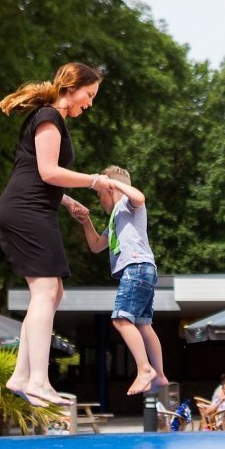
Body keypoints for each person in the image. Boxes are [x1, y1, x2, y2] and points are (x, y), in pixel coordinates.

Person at [0, 62, 113, 407]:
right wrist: (94, 181)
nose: (90, 103)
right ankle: (38, 380)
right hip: (26, 210)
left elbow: (34, 171)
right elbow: (48, 171)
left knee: (53, 291)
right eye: (89, 94)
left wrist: (66, 200)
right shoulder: (49, 116)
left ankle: (22, 376)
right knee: (46, 290)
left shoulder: (50, 118)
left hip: (33, 208)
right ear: (72, 88)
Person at [75, 165, 168, 395]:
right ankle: (160, 374)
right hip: (144, 270)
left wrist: (112, 182)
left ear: (109, 189)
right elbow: (96, 246)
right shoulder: (114, 219)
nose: (99, 201)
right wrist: (86, 222)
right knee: (143, 324)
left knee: (120, 319)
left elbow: (139, 197)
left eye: (99, 194)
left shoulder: (127, 204)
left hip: (136, 268)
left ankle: (144, 369)